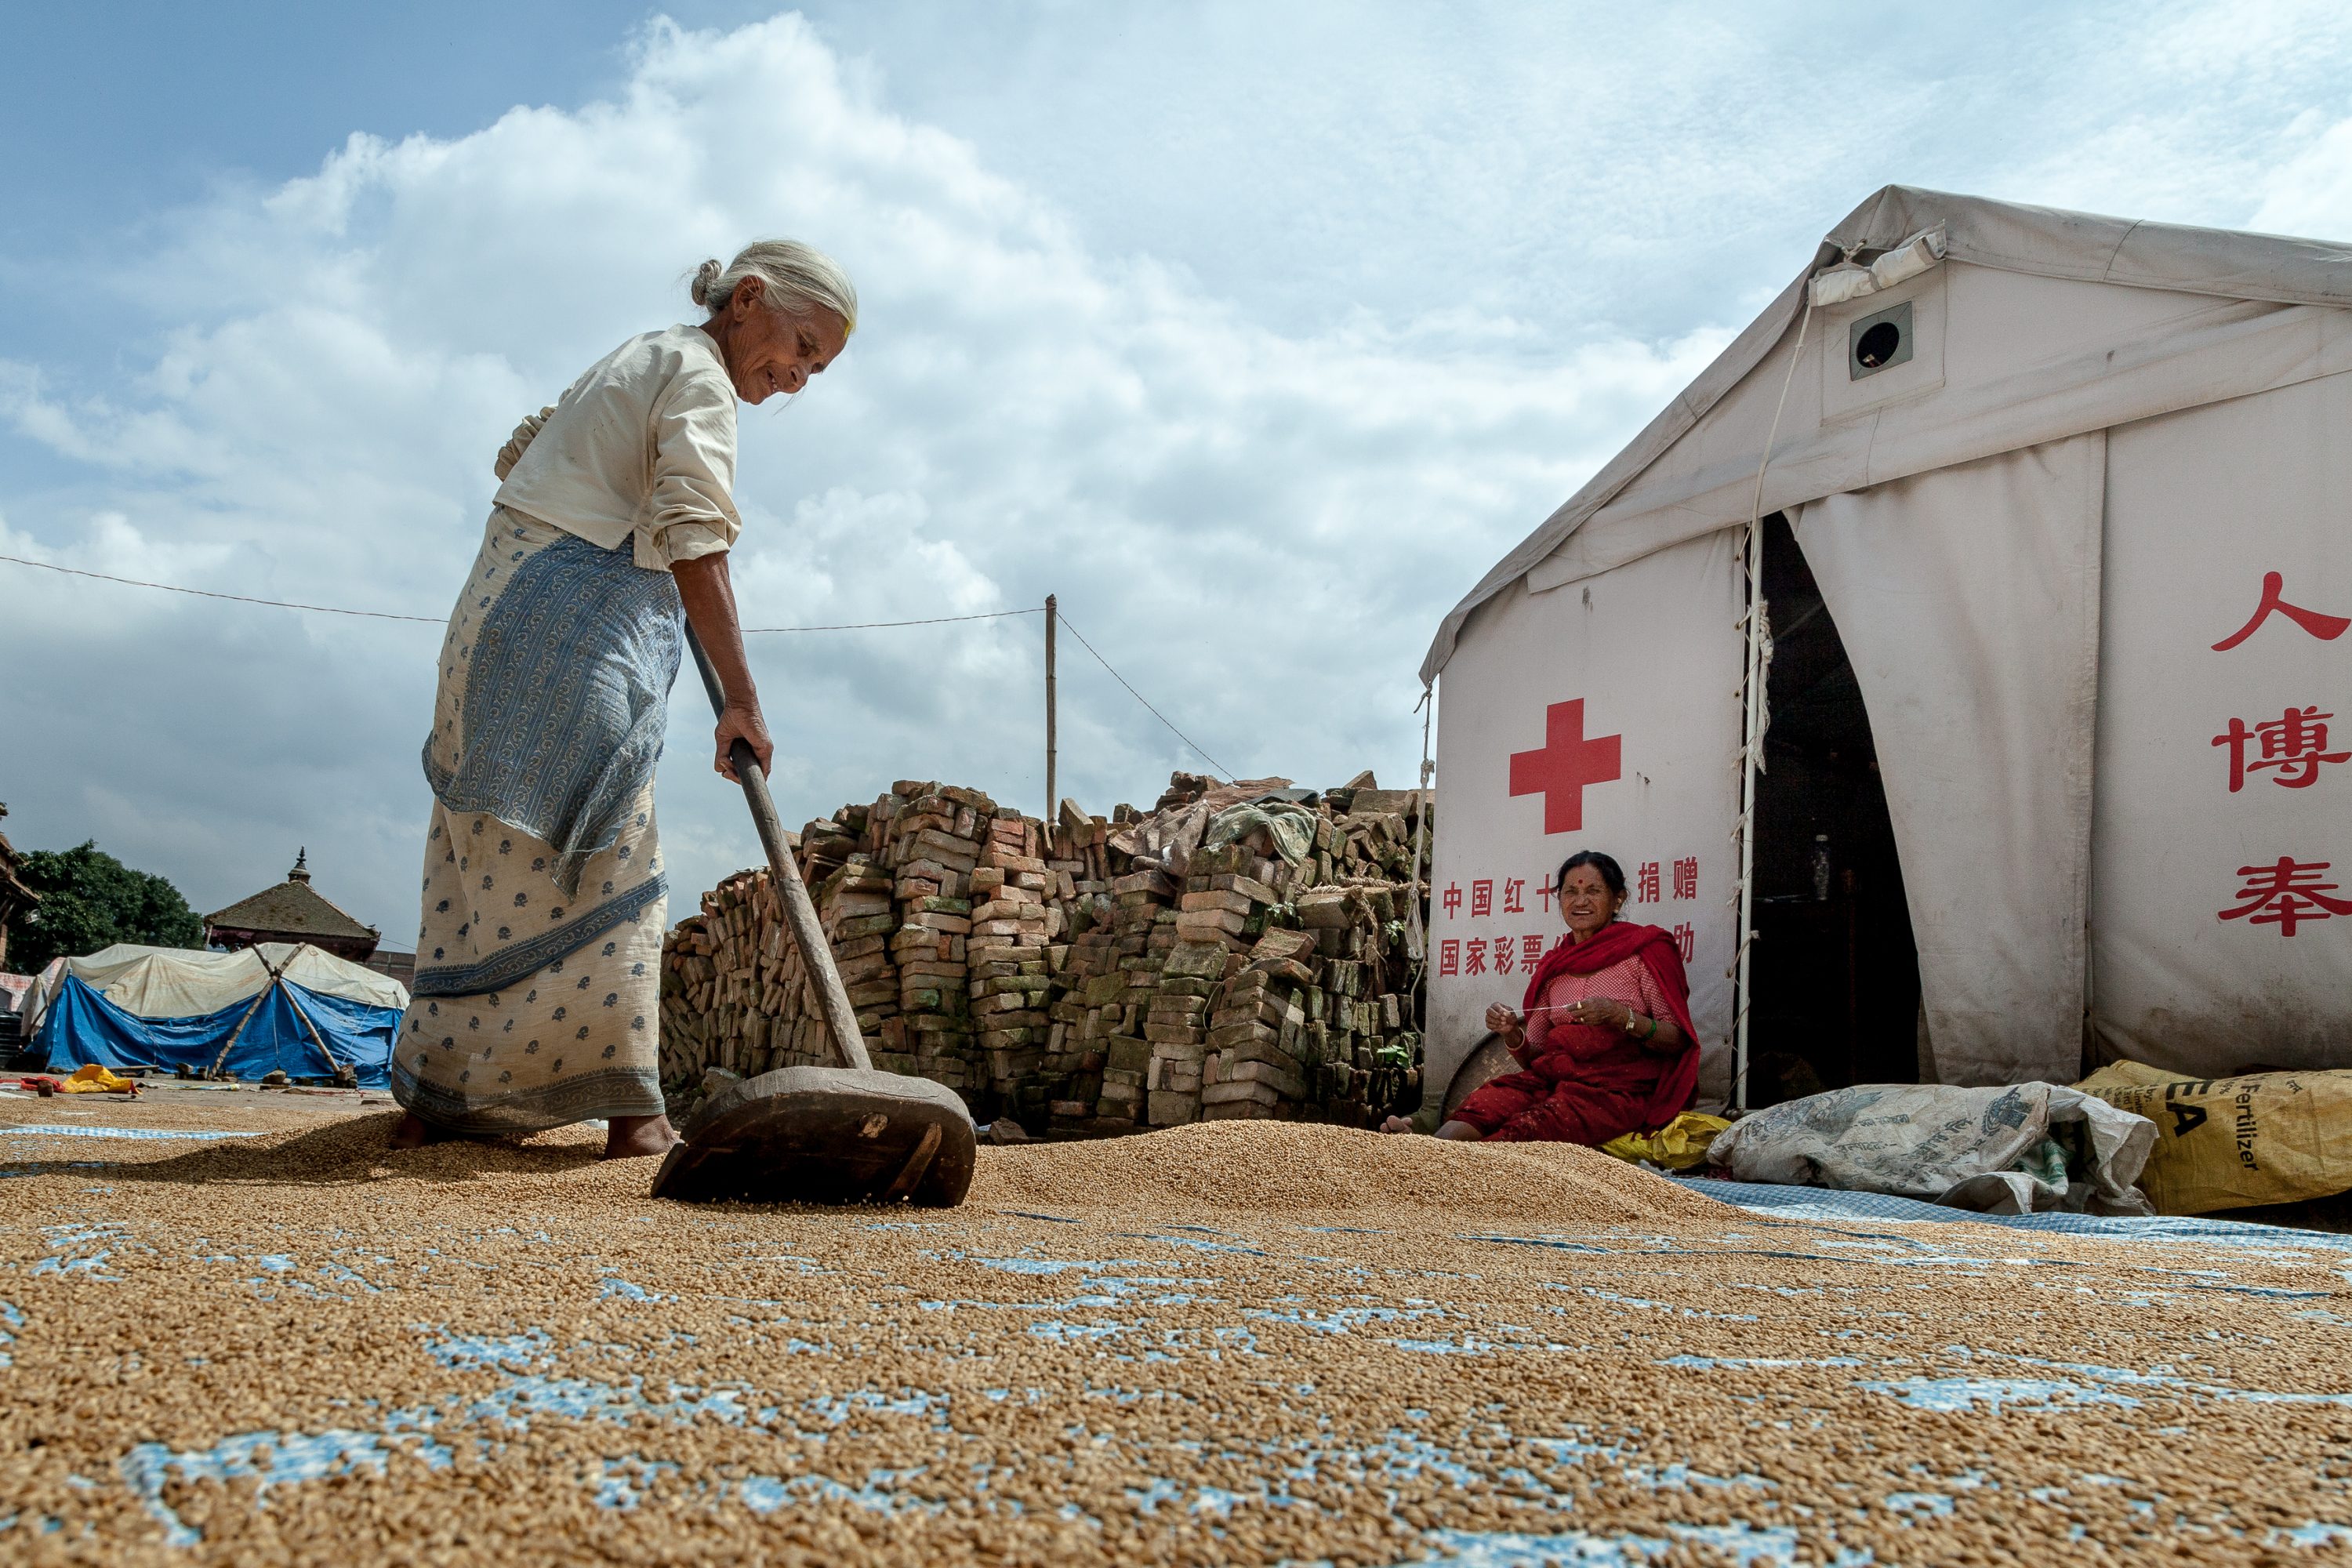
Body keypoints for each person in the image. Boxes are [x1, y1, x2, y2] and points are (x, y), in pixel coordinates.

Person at [388, 240, 856, 1159]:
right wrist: (743, 703)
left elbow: (523, 449)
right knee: (614, 858)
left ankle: (440, 1103)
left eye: (817, 368)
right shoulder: (700, 378)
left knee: (485, 867)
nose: (798, 376)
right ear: (747, 299)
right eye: (800, 345)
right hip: (567, 627)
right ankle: (635, 1117)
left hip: (494, 617)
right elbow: (696, 534)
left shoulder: (643, 354)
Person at [1381, 851, 1699, 1145]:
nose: (1581, 901)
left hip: (1616, 1092)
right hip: (1552, 1079)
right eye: (1571, 892)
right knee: (1486, 1103)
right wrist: (1512, 1033)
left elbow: (1677, 1042)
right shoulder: (1556, 965)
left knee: (1531, 1126)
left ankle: (1449, 1168)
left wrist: (1621, 1016)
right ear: (1558, 898)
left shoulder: (1644, 952)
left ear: (1618, 900)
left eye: (1594, 891)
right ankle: (1427, 1151)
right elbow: (1535, 1058)